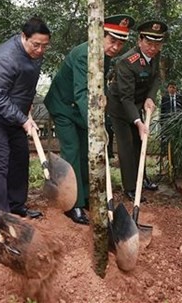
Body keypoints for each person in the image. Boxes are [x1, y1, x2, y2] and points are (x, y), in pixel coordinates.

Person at [44, 15, 134, 225]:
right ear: (100, 36)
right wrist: (97, 127)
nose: (116, 47)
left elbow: (97, 87)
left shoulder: (105, 55)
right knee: (73, 150)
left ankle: (84, 198)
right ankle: (73, 204)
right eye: (112, 41)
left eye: (121, 43)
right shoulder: (85, 54)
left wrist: (101, 109)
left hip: (80, 109)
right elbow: (82, 93)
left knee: (86, 150)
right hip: (64, 106)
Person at [0, 16, 50, 223]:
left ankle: (16, 206)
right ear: (23, 37)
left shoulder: (36, 53)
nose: (40, 50)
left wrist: (27, 106)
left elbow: (24, 85)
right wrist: (23, 119)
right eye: (36, 45)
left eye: (45, 46)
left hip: (15, 111)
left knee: (20, 157)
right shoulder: (5, 58)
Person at [106, 20, 168, 201]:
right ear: (139, 41)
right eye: (149, 43)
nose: (152, 48)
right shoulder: (126, 62)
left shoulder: (155, 56)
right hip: (120, 107)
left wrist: (150, 97)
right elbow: (126, 98)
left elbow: (156, 78)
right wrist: (138, 122)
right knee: (126, 145)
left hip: (138, 105)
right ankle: (131, 188)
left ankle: (143, 178)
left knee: (139, 144)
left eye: (157, 44)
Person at [159, 81, 182, 156]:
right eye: (170, 87)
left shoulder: (181, 98)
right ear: (167, 89)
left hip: (178, 122)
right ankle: (167, 154)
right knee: (167, 140)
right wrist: (162, 123)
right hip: (167, 122)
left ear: (176, 88)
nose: (172, 89)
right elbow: (162, 111)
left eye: (173, 87)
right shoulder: (165, 98)